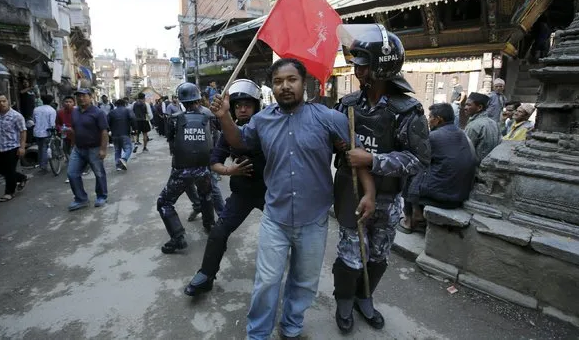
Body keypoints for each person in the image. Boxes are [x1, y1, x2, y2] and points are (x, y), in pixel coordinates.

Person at [210, 58, 376, 340]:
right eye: (278, 81)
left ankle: (291, 326)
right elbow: (238, 142)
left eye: (291, 80)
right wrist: (225, 116)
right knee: (266, 282)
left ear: (304, 83)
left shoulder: (329, 118)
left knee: (305, 282)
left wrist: (369, 193)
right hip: (275, 218)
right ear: (271, 87)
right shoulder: (262, 121)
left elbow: (356, 156)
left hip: (314, 219)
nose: (285, 86)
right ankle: (258, 333)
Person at [333, 24, 431, 333]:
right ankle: (344, 301)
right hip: (350, 192)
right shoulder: (348, 105)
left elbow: (419, 160)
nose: (356, 69)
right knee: (350, 252)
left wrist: (374, 159)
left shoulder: (407, 111)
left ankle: (366, 297)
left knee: (378, 253)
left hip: (389, 198)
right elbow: (334, 146)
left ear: (379, 66)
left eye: (362, 63)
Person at [184, 79, 266, 297]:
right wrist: (230, 171)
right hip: (242, 193)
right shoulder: (229, 132)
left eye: (247, 104)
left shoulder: (269, 126)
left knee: (289, 232)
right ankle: (206, 275)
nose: (242, 108)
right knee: (219, 232)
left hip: (271, 193)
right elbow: (214, 161)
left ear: (257, 106)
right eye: (238, 105)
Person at [158, 82, 217, 254]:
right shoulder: (209, 116)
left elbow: (171, 142)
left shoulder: (175, 118)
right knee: (206, 195)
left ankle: (177, 238)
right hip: (204, 169)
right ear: (198, 98)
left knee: (164, 202)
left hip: (181, 170)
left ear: (181, 101)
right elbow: (214, 138)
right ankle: (209, 225)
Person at [400, 103, 476, 233]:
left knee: (410, 170)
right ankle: (417, 212)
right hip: (460, 194)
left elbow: (415, 158)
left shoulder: (434, 137)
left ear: (438, 119)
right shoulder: (461, 134)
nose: (428, 120)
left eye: (430, 117)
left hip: (441, 196)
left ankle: (409, 220)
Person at [67, 89, 109, 211]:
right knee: (72, 173)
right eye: (78, 96)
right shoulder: (74, 112)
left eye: (84, 96)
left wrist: (103, 149)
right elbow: (74, 129)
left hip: (94, 148)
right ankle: (81, 199)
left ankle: (102, 196)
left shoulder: (98, 113)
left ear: (90, 97)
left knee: (99, 173)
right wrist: (72, 144)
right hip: (78, 148)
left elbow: (104, 132)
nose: (81, 98)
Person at [0, 93, 28, 202]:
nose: (2, 103)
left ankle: (9, 192)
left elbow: (23, 131)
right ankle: (21, 178)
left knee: (9, 171)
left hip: (13, 147)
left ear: (8, 101)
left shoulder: (16, 116)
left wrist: (22, 147)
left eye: (4, 101)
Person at [464, 92, 501, 164]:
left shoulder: (474, 126)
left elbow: (465, 150)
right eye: (465, 105)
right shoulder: (494, 123)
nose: (465, 108)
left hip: (477, 167)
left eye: (469, 105)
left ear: (479, 107)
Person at [107, 98, 136, 170]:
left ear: (116, 104)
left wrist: (109, 130)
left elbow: (107, 122)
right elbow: (133, 118)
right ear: (124, 104)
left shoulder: (111, 112)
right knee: (128, 148)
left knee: (117, 150)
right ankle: (123, 159)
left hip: (114, 135)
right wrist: (135, 128)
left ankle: (118, 166)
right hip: (125, 133)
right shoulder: (127, 110)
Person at [32, 95, 57, 174]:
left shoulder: (36, 109)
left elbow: (34, 120)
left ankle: (41, 165)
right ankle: (44, 167)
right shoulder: (52, 110)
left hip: (37, 132)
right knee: (44, 149)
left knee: (40, 149)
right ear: (51, 101)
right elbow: (52, 123)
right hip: (46, 132)